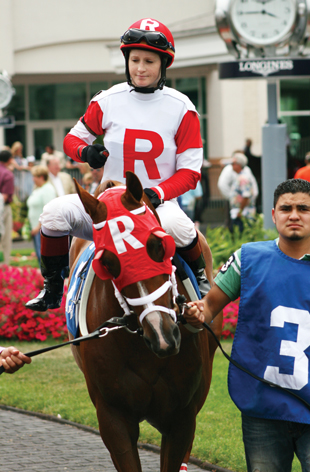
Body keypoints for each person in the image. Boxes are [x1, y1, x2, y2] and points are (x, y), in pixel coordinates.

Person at [25, 18, 208, 313]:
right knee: (53, 214)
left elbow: (190, 173)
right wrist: (86, 152)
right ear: (127, 60)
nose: (140, 68)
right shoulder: (107, 99)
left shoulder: (183, 108)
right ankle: (52, 288)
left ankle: (202, 282)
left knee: (178, 225)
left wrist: (157, 193)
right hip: (108, 205)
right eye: (135, 60)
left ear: (164, 64)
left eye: (149, 61)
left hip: (156, 207)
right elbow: (72, 140)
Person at [184, 179, 310, 472]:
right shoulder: (248, 259)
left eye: (303, 208)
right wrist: (197, 311)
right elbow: (209, 307)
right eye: (286, 208)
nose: (294, 215)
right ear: (274, 215)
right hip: (263, 409)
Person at [218, 152, 258, 233]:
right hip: (240, 213)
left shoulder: (243, 178)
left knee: (242, 235)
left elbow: (246, 196)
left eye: (233, 163)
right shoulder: (240, 176)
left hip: (243, 214)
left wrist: (240, 211)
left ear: (239, 164)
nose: (231, 165)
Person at [26, 165, 57, 261]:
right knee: (39, 255)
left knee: (44, 255)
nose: (33, 179)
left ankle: (47, 276)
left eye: (34, 176)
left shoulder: (47, 189)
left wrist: (38, 226)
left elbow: (48, 210)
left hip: (42, 228)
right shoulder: (38, 189)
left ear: (41, 177)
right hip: (36, 228)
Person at [0, 150, 15, 265]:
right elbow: (4, 197)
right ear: (9, 159)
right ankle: (4, 268)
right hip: (3, 208)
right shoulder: (7, 174)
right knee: (5, 240)